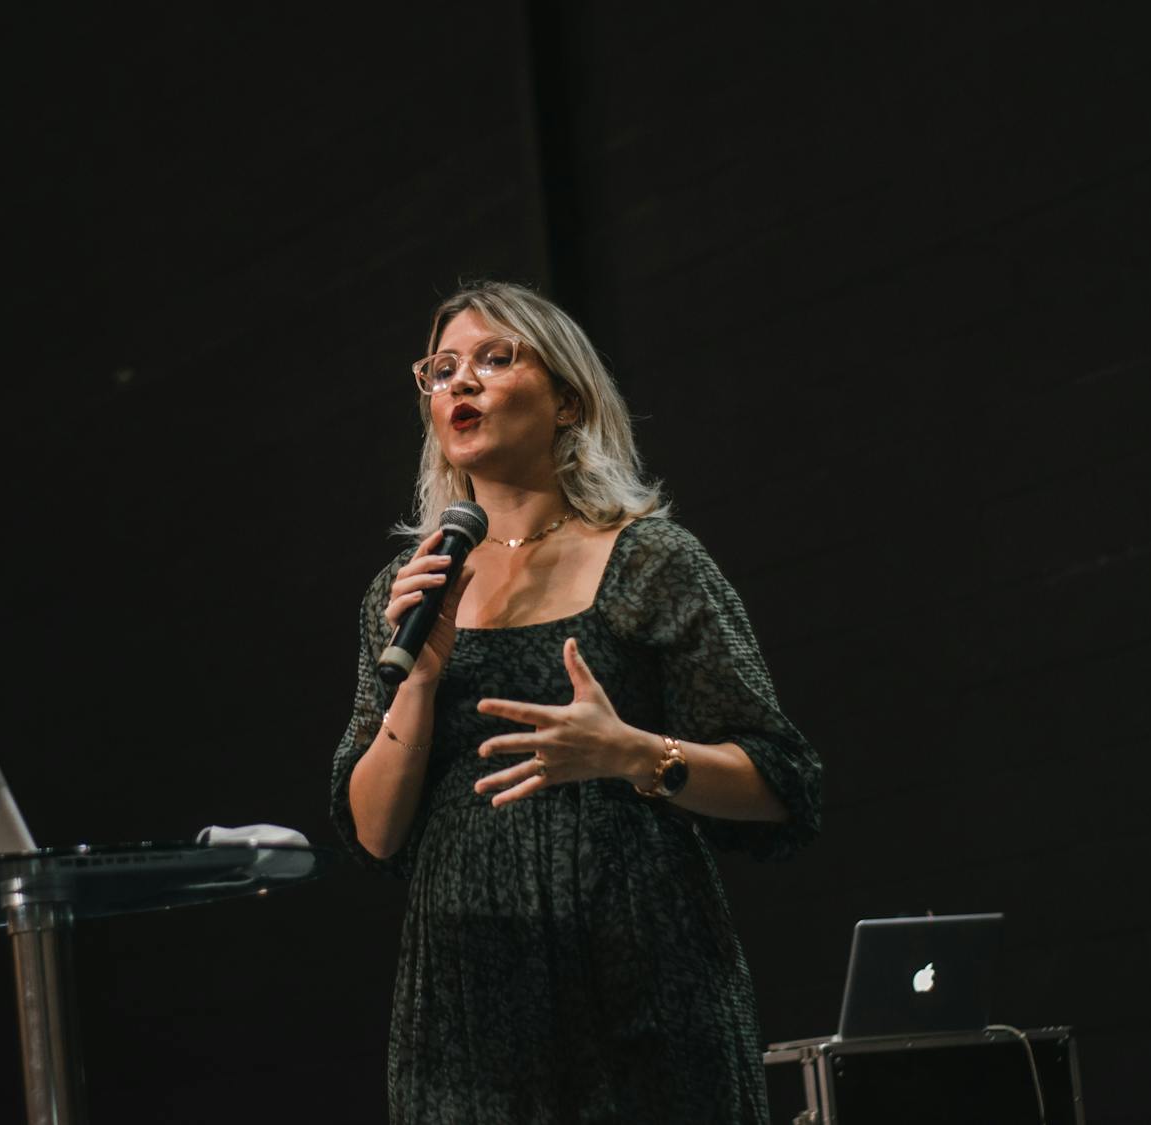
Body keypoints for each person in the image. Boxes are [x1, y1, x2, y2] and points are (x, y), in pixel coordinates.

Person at [329, 281, 823, 1124]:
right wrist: (420, 677)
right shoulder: (405, 590)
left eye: (495, 358)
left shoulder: (651, 559)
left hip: (643, 991)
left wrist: (634, 753)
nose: (462, 381)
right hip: (469, 1011)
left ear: (567, 399)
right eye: (441, 368)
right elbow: (374, 830)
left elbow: (783, 783)